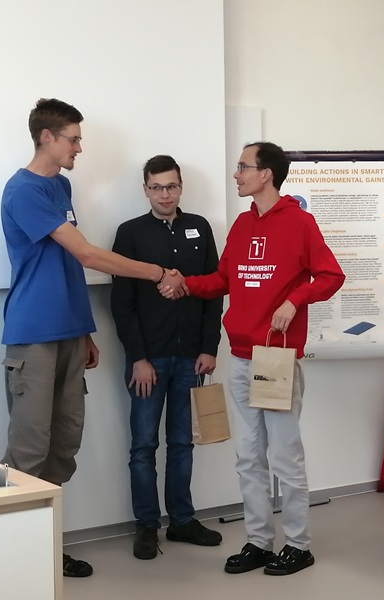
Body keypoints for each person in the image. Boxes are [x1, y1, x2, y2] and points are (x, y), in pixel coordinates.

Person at [0, 98, 183, 578]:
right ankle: (12, 558)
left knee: (63, 447)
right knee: (28, 452)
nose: (79, 148)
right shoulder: (23, 190)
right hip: (33, 335)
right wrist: (158, 271)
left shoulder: (61, 185)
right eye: (73, 139)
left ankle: (45, 550)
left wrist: (84, 330)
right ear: (47, 137)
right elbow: (85, 255)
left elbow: (64, 266)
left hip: (68, 333)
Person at [160, 142, 345, 576]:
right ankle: (259, 541)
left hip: (275, 360)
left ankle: (298, 544)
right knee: (247, 457)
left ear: (266, 174)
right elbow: (224, 279)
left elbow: (331, 275)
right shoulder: (243, 224)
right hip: (242, 357)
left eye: (243, 166)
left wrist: (295, 301)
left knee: (285, 457)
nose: (236, 174)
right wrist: (186, 283)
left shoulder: (299, 222)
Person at [110, 155, 224, 560]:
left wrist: (209, 347)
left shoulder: (200, 227)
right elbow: (122, 303)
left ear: (181, 187)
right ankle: (146, 525)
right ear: (145, 189)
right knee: (143, 446)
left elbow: (214, 290)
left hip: (190, 358)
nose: (165, 194)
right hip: (149, 362)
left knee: (182, 443)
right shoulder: (130, 233)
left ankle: (181, 521)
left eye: (171, 186)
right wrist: (138, 358)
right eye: (157, 187)